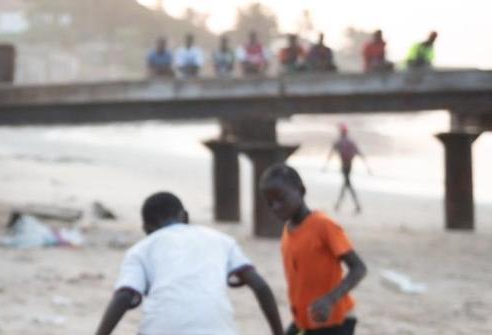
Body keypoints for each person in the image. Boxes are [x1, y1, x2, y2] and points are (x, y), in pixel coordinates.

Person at [95, 192, 284, 335]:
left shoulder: (141, 249)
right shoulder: (222, 240)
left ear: (146, 229)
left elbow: (123, 297)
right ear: (185, 216)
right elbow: (260, 286)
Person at [261, 165, 367, 335]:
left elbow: (359, 268)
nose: (275, 207)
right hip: (305, 321)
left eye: (281, 199)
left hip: (335, 321)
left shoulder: (323, 225)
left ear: (301, 191)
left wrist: (330, 300)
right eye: (270, 202)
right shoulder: (288, 230)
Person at [324, 124, 370, 213]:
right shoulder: (350, 142)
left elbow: (331, 153)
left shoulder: (339, 142)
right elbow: (359, 153)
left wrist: (326, 166)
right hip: (349, 166)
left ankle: (348, 205)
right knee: (346, 184)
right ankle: (343, 205)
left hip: (345, 166)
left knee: (347, 185)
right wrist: (367, 167)